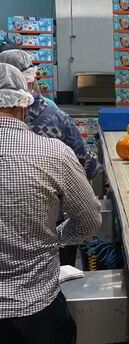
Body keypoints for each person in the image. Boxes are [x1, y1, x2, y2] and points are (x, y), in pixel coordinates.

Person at [0, 63, 101, 344]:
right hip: (36, 312)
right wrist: (55, 237)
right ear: (23, 105)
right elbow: (90, 221)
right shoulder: (53, 153)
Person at [0, 50, 102, 266]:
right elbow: (90, 167)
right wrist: (55, 238)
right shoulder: (56, 118)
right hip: (50, 236)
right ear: (33, 78)